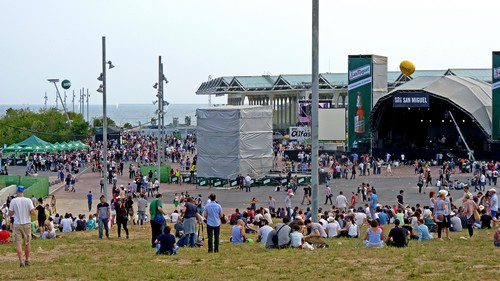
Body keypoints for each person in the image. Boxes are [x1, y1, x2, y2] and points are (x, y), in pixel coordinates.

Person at [9, 186, 36, 267]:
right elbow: (33, 213)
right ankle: (27, 260)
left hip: (17, 224)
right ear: (23, 191)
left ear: (17, 192)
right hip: (27, 223)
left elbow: (10, 213)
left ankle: (21, 261)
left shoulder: (13, 201)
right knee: (27, 243)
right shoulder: (28, 200)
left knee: (18, 243)